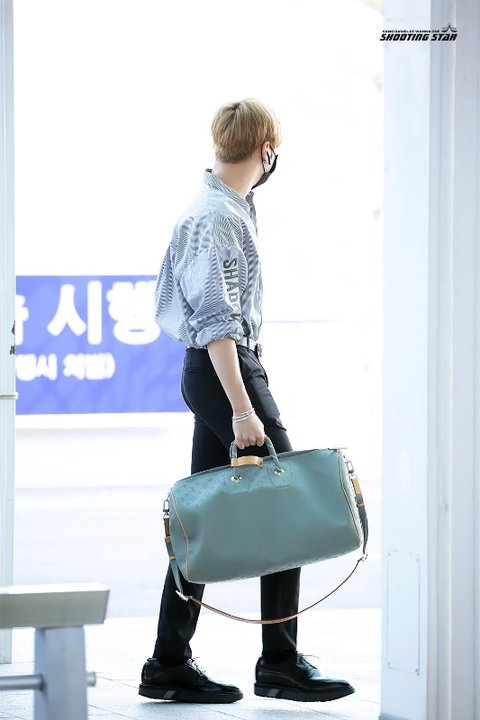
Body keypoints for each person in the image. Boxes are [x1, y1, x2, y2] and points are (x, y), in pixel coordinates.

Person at [138, 99, 354, 704]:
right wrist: (241, 407)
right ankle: (279, 661)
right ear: (267, 150)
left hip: (219, 370)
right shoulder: (215, 217)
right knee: (288, 503)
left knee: (203, 520)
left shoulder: (227, 207)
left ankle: (168, 660)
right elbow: (217, 323)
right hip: (225, 371)